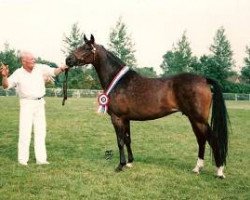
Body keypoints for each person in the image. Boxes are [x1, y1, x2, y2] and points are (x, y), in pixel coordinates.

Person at [0, 51, 68, 166]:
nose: (34, 60)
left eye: (34, 58)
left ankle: (41, 160)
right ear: (24, 61)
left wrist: (62, 68)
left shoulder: (40, 68)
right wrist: (5, 76)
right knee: (25, 132)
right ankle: (22, 160)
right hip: (26, 103)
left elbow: (53, 72)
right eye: (31, 59)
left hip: (40, 103)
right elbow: (6, 86)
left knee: (41, 132)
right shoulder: (18, 73)